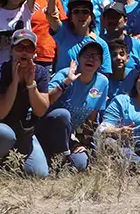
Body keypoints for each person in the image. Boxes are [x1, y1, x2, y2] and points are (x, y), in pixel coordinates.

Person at [0, 30, 64, 178]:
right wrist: (15, 82)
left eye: (29, 48)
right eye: (19, 47)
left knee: (39, 173)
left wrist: (30, 84)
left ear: (34, 52)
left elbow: (41, 110)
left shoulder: (40, 73)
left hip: (21, 131)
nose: (24, 52)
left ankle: (7, 163)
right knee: (4, 134)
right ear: (11, 50)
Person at [47, 36, 114, 172]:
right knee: (63, 114)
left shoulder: (102, 82)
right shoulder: (65, 74)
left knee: (81, 163)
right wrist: (66, 82)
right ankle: (60, 154)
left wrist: (85, 143)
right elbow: (46, 100)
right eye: (87, 55)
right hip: (47, 127)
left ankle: (63, 159)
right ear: (79, 58)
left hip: (68, 136)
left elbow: (92, 116)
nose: (91, 59)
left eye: (96, 56)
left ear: (101, 62)